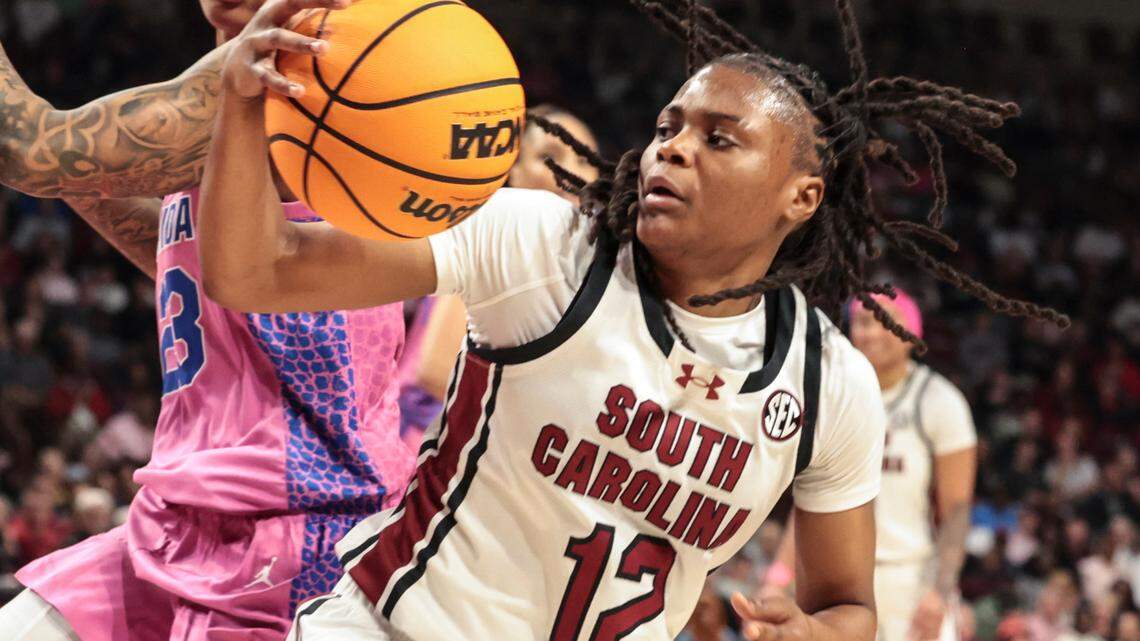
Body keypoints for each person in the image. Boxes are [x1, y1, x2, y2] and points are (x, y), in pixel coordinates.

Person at [199, 1, 1065, 640]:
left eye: (720, 138)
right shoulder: (546, 246)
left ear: (802, 196)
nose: (672, 147)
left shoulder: (828, 384)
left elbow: (848, 604)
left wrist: (815, 632)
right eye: (667, 126)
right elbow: (252, 269)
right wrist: (241, 102)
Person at [0, 0, 415, 639]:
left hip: (294, 524)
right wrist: (83, 178)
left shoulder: (295, 67)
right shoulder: (239, 73)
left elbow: (29, 149)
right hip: (184, 513)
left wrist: (69, 165)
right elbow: (192, 260)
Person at [396, 106, 601, 447]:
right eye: (549, 156)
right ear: (513, 169)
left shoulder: (580, 266)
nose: (570, 170)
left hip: (488, 447)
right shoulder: (492, 234)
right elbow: (435, 371)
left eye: (584, 160)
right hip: (424, 444)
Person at [849, 290, 978, 641]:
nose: (872, 332)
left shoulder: (939, 400)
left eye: (885, 320)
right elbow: (808, 498)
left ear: (913, 333)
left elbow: (957, 511)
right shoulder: (835, 397)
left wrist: (940, 591)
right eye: (862, 321)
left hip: (913, 579)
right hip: (843, 579)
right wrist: (781, 577)